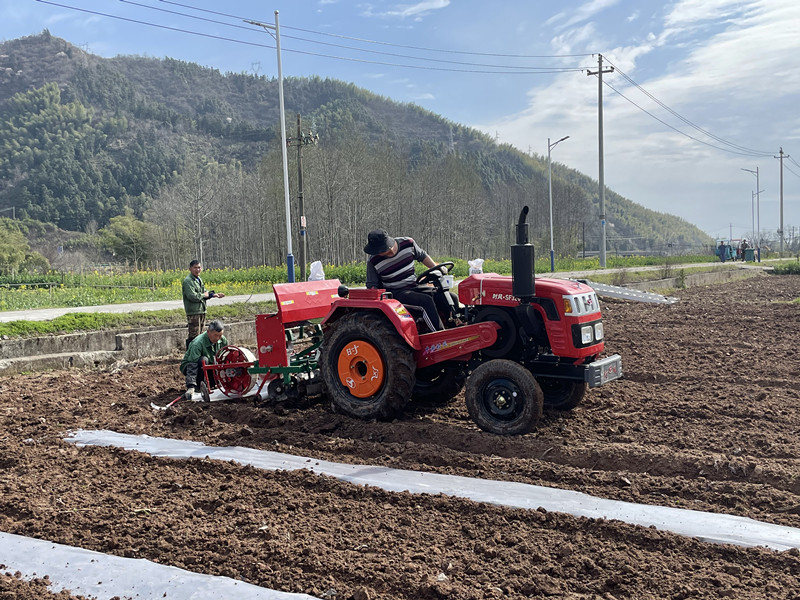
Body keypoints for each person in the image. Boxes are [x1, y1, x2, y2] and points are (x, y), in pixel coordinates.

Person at [364, 229, 449, 332]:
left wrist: (437, 267)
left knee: (445, 296)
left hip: (414, 285)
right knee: (425, 301)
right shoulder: (373, 261)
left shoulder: (408, 243)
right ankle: (440, 335)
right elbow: (372, 285)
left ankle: (454, 326)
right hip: (396, 293)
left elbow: (422, 255)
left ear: (388, 245)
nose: (376, 253)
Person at [179, 320, 228, 401]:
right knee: (203, 360)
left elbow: (225, 357)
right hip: (192, 366)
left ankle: (213, 383)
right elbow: (192, 365)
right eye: (216, 335)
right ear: (208, 332)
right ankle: (197, 387)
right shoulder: (197, 343)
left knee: (213, 383)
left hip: (211, 365)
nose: (218, 338)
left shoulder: (222, 340)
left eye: (220, 335)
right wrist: (191, 387)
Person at [182, 259, 225, 348]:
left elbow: (204, 292)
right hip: (194, 312)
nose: (197, 270)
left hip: (201, 310)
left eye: (199, 267)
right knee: (194, 335)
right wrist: (204, 295)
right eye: (195, 268)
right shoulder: (188, 281)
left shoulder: (198, 279)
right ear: (190, 269)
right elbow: (192, 296)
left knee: (200, 334)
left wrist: (213, 295)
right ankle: (190, 353)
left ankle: (198, 351)